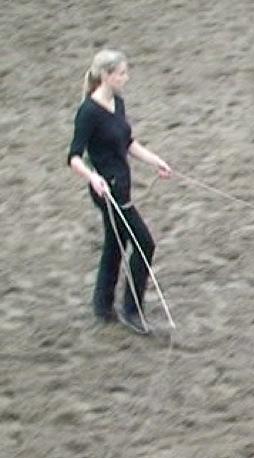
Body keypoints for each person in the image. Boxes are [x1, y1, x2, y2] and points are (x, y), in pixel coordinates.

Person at [67, 49, 172, 334]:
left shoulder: (118, 104)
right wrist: (93, 178)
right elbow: (74, 157)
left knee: (115, 243)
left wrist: (155, 161)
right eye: (122, 73)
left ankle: (102, 305)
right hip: (108, 191)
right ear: (106, 76)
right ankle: (131, 310)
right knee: (144, 244)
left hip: (122, 185)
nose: (126, 77)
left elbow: (127, 142)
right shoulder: (88, 112)